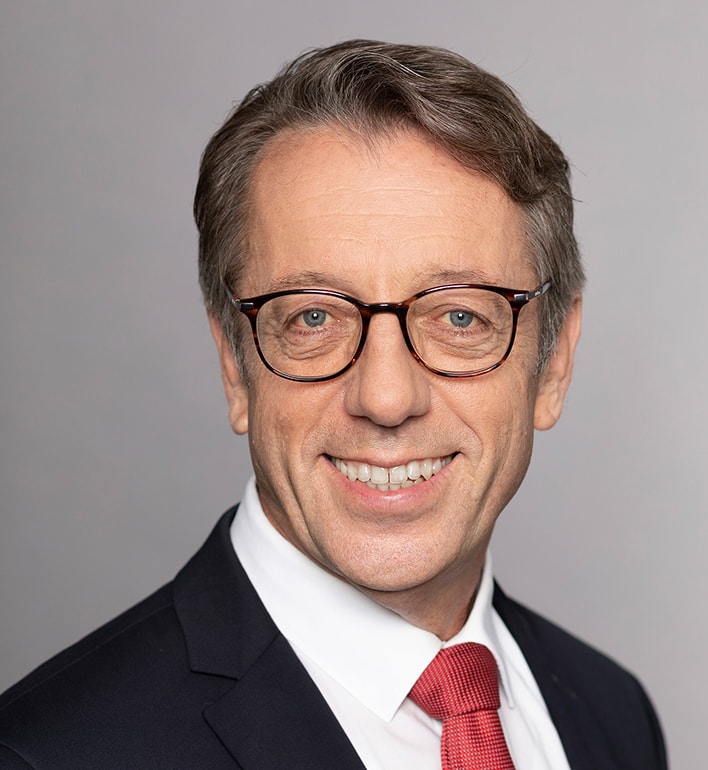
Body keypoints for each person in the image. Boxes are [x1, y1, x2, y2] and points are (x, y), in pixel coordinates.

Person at [0, 40, 667, 769]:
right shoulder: (48, 752)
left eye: (460, 317)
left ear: (554, 364)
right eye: (312, 317)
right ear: (235, 363)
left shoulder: (610, 715)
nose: (386, 397)